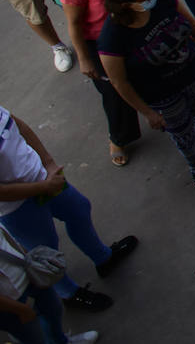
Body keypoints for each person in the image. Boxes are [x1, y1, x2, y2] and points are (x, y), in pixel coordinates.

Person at [0, 105, 137, 314]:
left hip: (43, 177)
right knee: (46, 251)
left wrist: (48, 163)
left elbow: (18, 125)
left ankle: (103, 258)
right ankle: (69, 294)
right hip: (17, 206)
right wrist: (42, 187)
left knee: (79, 210)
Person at [99, 0, 195, 197]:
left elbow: (191, 23)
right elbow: (119, 81)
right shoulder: (112, 38)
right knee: (181, 133)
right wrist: (147, 113)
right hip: (162, 95)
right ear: (127, 5)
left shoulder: (162, 0)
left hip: (192, 72)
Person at [57, 0, 146, 166]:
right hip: (99, 42)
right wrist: (84, 58)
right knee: (114, 92)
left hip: (131, 28)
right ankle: (119, 137)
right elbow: (74, 22)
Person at [0, 225, 100, 342]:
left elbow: (7, 238)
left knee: (53, 310)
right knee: (33, 336)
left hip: (30, 277)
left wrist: (29, 259)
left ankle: (61, 341)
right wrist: (21, 310)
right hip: (9, 304)